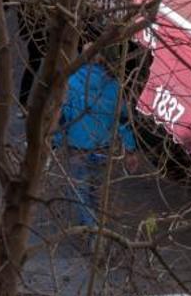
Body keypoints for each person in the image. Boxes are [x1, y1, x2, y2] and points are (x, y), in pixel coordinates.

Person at [53, 57, 136, 228]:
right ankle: (97, 229)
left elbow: (63, 118)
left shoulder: (72, 82)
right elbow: (121, 121)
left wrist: (55, 141)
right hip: (103, 148)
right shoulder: (114, 86)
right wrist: (130, 149)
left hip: (78, 147)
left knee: (79, 191)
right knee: (96, 190)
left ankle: (91, 228)